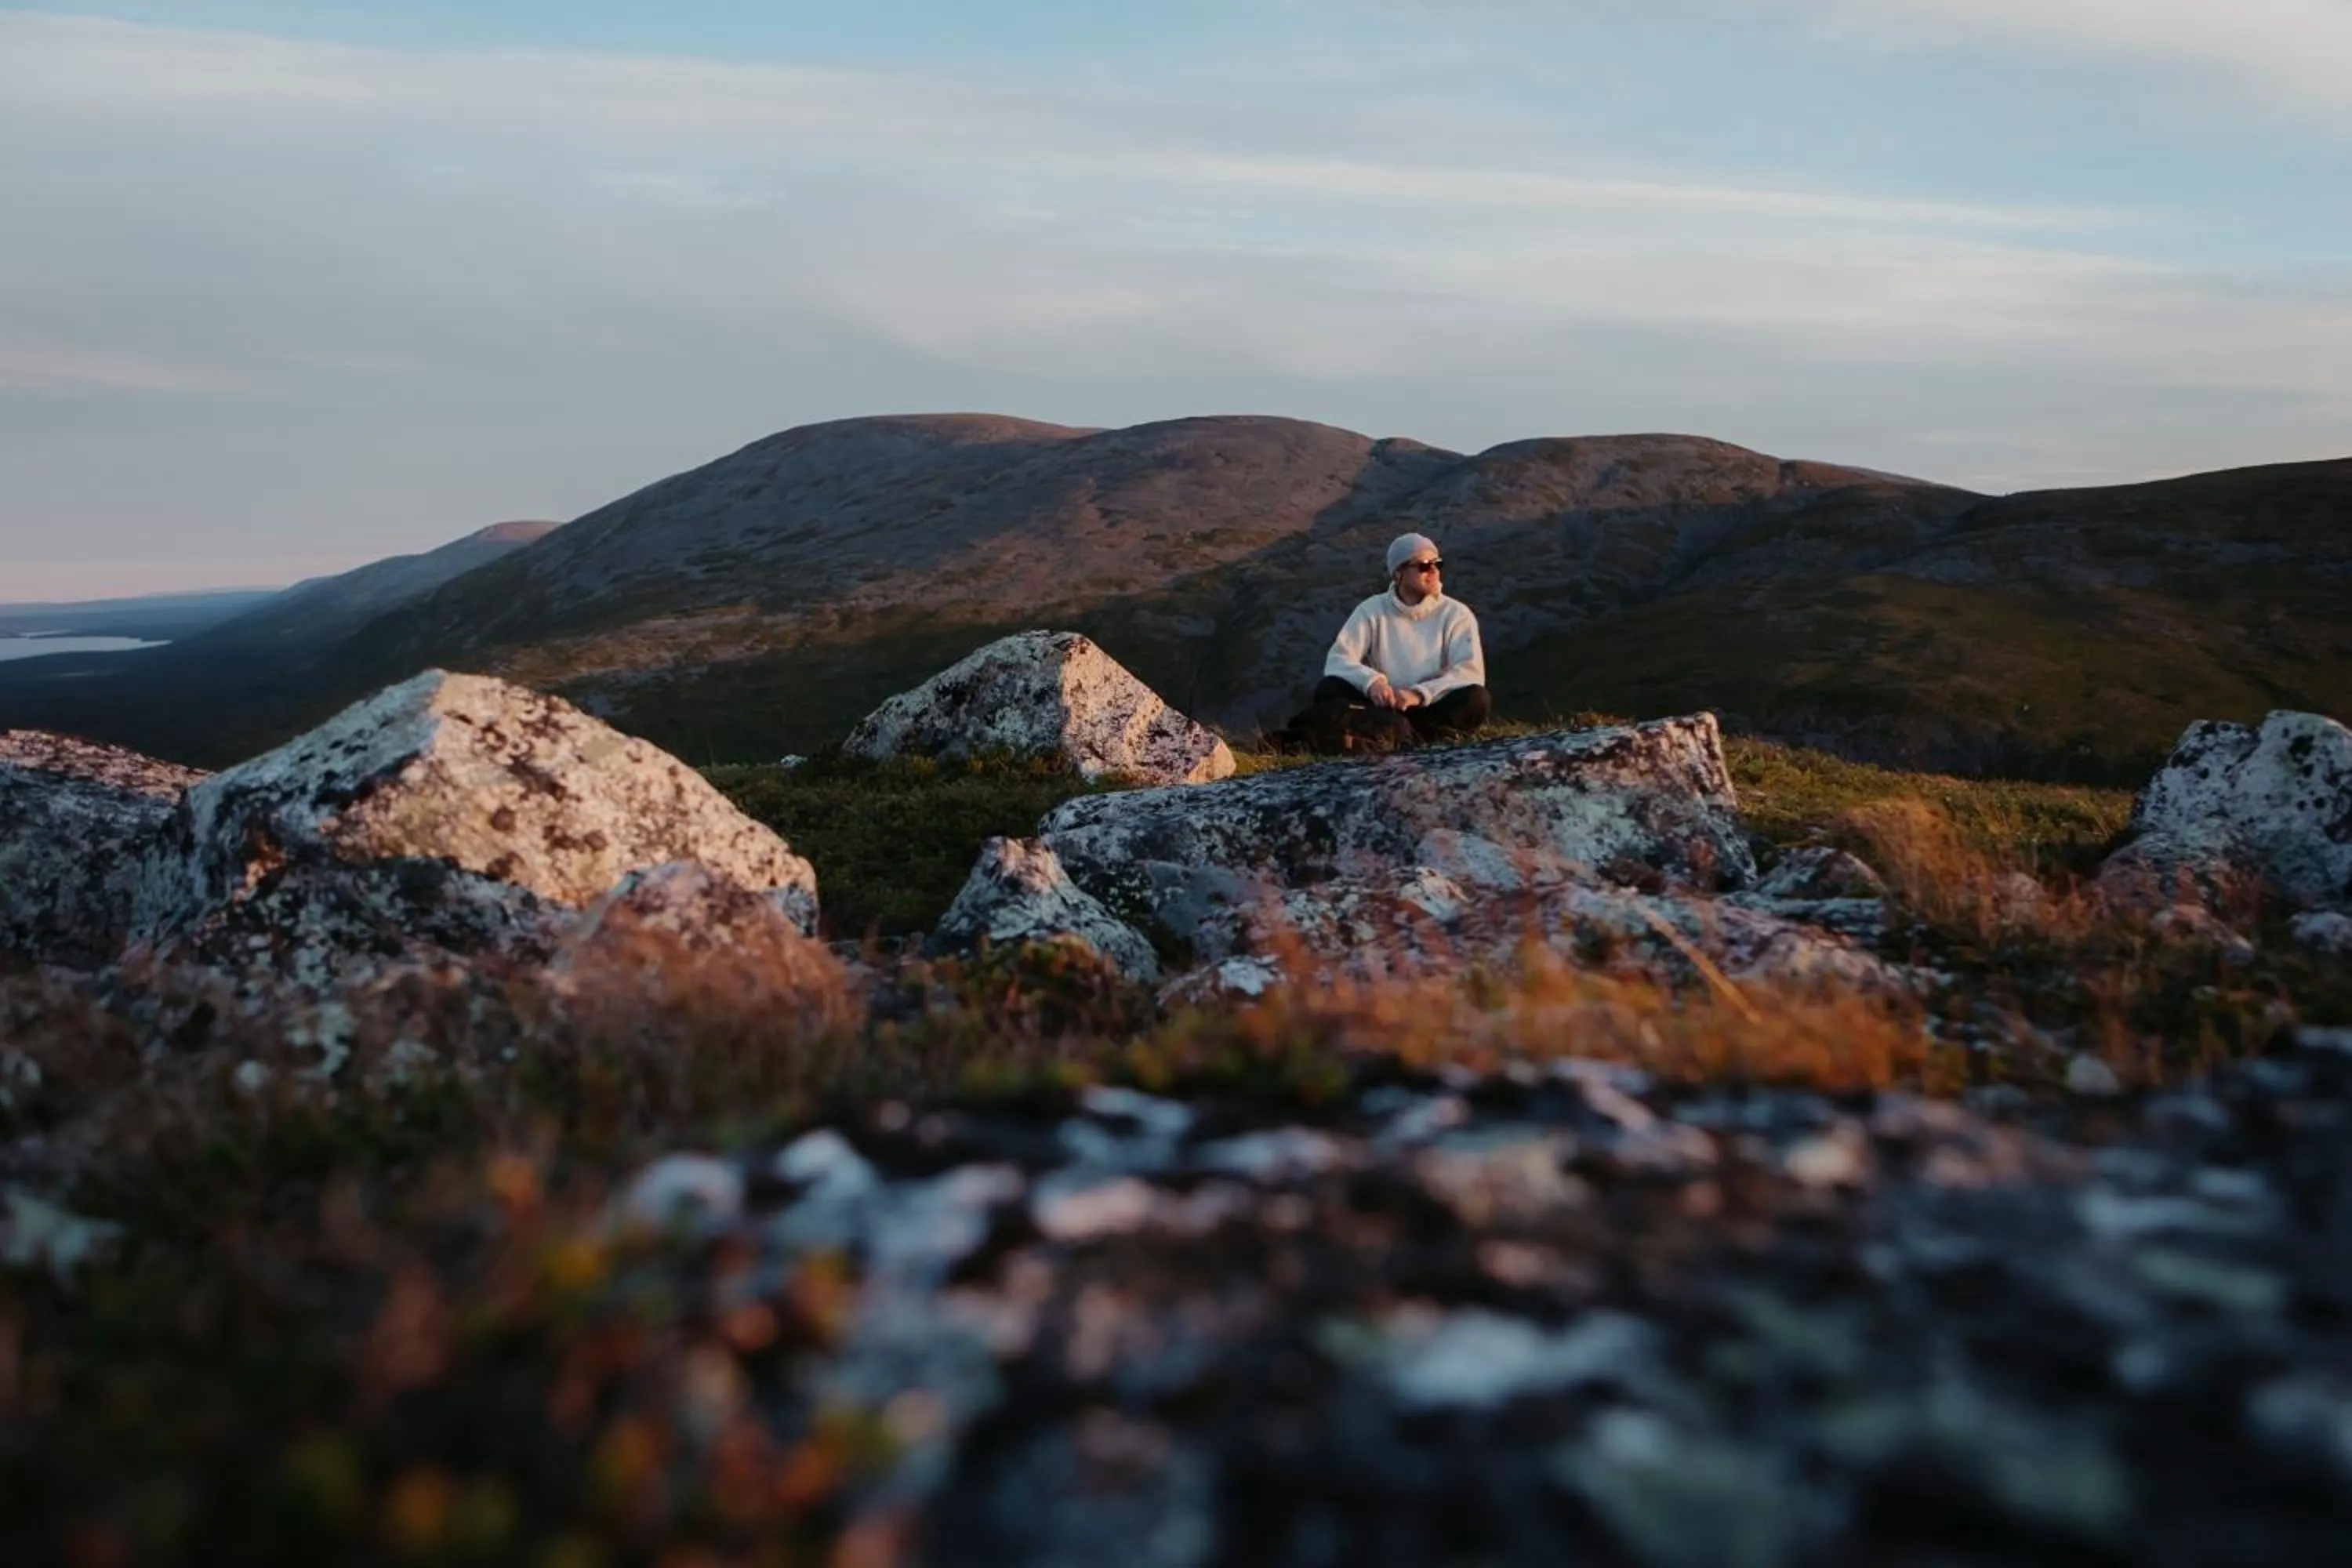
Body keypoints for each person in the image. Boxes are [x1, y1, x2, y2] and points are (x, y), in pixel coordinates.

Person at [1285, 532, 1490, 754]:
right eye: (1423, 565)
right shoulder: (1372, 610)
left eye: (1437, 564)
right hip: (1383, 708)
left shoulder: (1456, 614)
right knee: (1331, 686)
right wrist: (1372, 683)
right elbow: (1339, 659)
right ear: (1398, 573)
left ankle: (1393, 736)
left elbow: (1469, 673)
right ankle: (1398, 735)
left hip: (1430, 709)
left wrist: (1419, 694)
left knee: (1476, 699)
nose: (1433, 571)